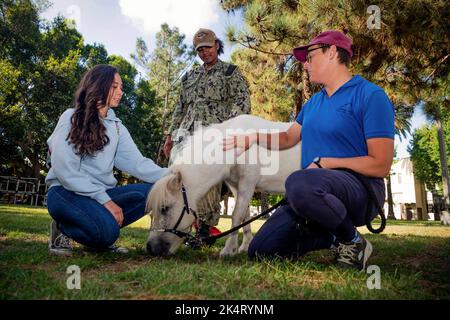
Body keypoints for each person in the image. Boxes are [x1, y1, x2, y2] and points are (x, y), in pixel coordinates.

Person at [222, 30, 395, 271]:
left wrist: (326, 163)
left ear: (333, 53)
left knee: (299, 182)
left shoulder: (370, 95)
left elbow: (381, 165)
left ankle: (353, 241)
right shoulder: (313, 103)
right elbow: (287, 137)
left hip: (361, 190)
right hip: (313, 192)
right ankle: (333, 236)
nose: (305, 63)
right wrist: (252, 138)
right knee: (262, 250)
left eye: (310, 56)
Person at [46, 64, 169, 255]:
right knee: (107, 234)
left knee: (153, 192)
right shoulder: (70, 117)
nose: (120, 92)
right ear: (98, 85)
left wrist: (176, 174)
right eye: (114, 86)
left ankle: (96, 226)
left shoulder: (117, 127)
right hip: (65, 192)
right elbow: (65, 171)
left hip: (99, 195)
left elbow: (138, 164)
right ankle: (63, 228)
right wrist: (106, 201)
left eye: (121, 87)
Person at [163, 28, 251, 230]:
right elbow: (180, 107)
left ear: (217, 45)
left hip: (213, 136)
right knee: (175, 178)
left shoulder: (230, 73)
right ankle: (174, 223)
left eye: (208, 48)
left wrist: (227, 129)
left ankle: (204, 228)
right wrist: (170, 136)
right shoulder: (190, 76)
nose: (204, 53)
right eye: (200, 50)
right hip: (184, 136)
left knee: (208, 182)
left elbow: (242, 101)